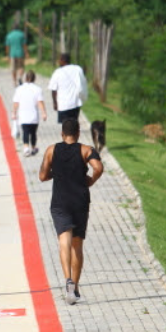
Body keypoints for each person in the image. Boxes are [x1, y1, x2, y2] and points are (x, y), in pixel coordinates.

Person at [38, 119, 104, 305]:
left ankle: (67, 279)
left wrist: (56, 173)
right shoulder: (86, 150)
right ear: (78, 133)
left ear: (62, 133)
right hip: (80, 202)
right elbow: (98, 168)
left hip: (60, 202)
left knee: (63, 241)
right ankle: (74, 287)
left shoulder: (52, 150)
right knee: (77, 245)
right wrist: (91, 180)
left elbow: (42, 176)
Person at [11, 70, 47, 156]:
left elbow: (16, 103)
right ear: (34, 78)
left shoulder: (19, 89)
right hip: (34, 115)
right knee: (33, 132)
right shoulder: (38, 89)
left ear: (25, 78)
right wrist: (43, 113)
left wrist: (14, 113)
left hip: (23, 115)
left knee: (25, 132)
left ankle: (26, 148)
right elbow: (40, 102)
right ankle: (33, 147)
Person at [48, 52, 87, 123]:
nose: (58, 62)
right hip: (75, 103)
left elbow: (53, 89)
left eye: (59, 60)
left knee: (65, 126)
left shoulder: (57, 72)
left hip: (63, 105)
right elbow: (83, 82)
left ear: (63, 60)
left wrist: (55, 103)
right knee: (73, 125)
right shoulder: (77, 69)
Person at [4, 22, 28, 87]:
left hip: (12, 54)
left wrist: (7, 55)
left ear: (12, 28)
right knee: (21, 67)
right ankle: (20, 78)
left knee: (13, 68)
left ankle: (14, 82)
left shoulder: (9, 35)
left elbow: (7, 46)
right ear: (18, 28)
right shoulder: (22, 34)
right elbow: (24, 45)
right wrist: (26, 53)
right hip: (20, 53)